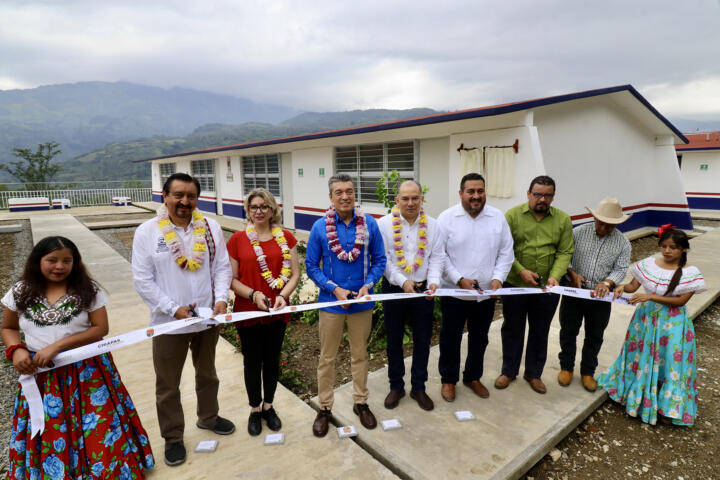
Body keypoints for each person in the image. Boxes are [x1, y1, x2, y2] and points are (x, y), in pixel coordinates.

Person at [1, 236, 154, 479]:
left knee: (96, 423)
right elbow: (8, 328)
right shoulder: (20, 291)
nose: (59, 266)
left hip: (87, 371)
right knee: (52, 427)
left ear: (76, 263)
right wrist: (16, 349)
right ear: (36, 261)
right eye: (51, 260)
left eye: (66, 261)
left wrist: (58, 346)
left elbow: (99, 328)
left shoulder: (87, 289)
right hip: (42, 374)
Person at [132, 172, 234, 466]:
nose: (184, 201)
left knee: (208, 374)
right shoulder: (148, 232)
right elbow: (143, 280)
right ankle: (173, 437)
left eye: (190, 196)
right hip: (169, 323)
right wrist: (172, 308)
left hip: (206, 319)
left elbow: (222, 268)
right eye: (178, 195)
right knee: (168, 385)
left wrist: (221, 298)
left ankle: (209, 417)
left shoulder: (211, 227)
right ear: (165, 196)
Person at [598, 227, 706, 426]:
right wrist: (620, 287)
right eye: (664, 246)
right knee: (644, 358)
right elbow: (632, 287)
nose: (667, 251)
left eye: (673, 247)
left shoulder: (691, 273)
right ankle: (640, 398)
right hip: (645, 320)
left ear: (683, 249)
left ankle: (667, 407)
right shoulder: (648, 264)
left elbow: (680, 301)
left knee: (669, 363)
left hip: (672, 324)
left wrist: (650, 296)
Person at [305, 173, 387, 437]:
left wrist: (368, 286)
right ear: (330, 197)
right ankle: (325, 407)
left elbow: (379, 260)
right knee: (327, 358)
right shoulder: (319, 227)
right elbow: (310, 266)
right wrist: (335, 289)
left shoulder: (370, 224)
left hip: (361, 304)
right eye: (339, 192)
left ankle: (360, 402)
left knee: (360, 355)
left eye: (349, 191)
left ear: (355, 194)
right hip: (331, 304)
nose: (345, 196)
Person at [226, 188, 300, 436]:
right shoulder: (237, 240)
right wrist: (253, 295)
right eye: (253, 207)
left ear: (272, 210)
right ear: (247, 210)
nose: (258, 211)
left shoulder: (286, 238)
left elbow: (295, 275)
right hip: (247, 310)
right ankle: (254, 409)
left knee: (271, 359)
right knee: (251, 361)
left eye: (263, 206)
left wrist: (282, 296)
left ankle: (269, 406)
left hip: (277, 309)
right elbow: (232, 279)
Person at [437, 173, 514, 402]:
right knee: (450, 338)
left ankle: (472, 377)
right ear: (461, 193)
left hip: (485, 295)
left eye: (480, 191)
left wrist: (498, 278)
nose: (476, 196)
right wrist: (458, 278)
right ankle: (449, 380)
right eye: (470, 191)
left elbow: (506, 252)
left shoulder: (497, 217)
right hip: (455, 292)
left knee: (480, 338)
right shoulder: (446, 218)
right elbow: (440, 255)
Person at [495, 175, 573, 394]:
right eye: (537, 194)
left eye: (547, 195)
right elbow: (504, 250)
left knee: (540, 330)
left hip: (546, 288)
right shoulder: (512, 216)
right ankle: (508, 371)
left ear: (553, 197)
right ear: (528, 194)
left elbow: (565, 251)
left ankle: (533, 373)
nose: (542, 199)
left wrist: (555, 276)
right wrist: (521, 271)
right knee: (512, 329)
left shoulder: (563, 220)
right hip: (515, 284)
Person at [377, 180, 445, 411]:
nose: (410, 202)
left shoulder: (433, 226)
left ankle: (419, 388)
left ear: (421, 199)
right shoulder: (384, 225)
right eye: (405, 198)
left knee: (423, 340)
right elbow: (382, 259)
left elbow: (437, 257)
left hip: (424, 290)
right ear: (397, 201)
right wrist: (403, 281)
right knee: (394, 340)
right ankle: (396, 386)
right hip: (395, 289)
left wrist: (434, 282)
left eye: (415, 198)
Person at [558, 197, 632, 392]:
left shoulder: (623, 243)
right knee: (568, 331)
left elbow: (621, 268)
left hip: (600, 298)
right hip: (574, 292)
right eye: (601, 223)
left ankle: (587, 372)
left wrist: (607, 283)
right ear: (594, 218)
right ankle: (566, 367)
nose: (603, 228)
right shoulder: (578, 233)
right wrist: (571, 273)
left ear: (616, 224)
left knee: (595, 335)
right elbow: (564, 255)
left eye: (609, 226)